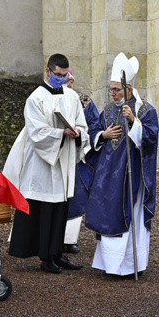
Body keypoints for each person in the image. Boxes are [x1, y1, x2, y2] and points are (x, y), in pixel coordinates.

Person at [3, 54, 90, 274]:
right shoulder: (35, 98)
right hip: (43, 163)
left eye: (65, 75)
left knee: (60, 208)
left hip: (65, 160)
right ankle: (45, 256)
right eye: (58, 75)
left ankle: (57, 253)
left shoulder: (71, 97)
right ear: (48, 71)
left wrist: (78, 133)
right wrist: (62, 133)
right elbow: (37, 133)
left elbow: (83, 125)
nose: (62, 79)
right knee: (44, 209)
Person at [85, 53, 159, 276]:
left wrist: (132, 122)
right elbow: (94, 134)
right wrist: (102, 135)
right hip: (107, 177)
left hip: (131, 175)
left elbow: (151, 140)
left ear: (128, 90)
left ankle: (129, 264)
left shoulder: (146, 111)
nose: (112, 94)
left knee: (129, 215)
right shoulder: (108, 110)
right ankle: (109, 264)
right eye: (111, 89)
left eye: (116, 90)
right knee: (107, 212)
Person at [62, 71, 103, 254]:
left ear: (72, 82)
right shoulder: (45, 98)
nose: (65, 84)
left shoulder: (84, 101)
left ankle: (68, 239)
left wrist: (81, 136)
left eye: (67, 80)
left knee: (75, 196)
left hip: (76, 155)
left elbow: (94, 126)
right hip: (53, 154)